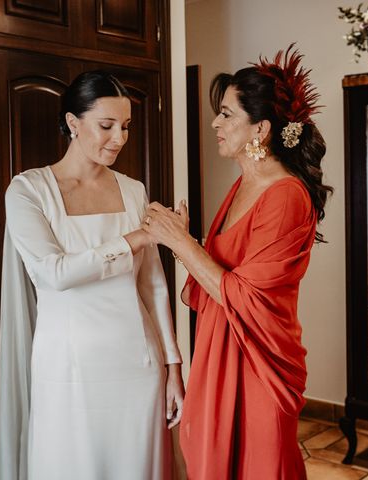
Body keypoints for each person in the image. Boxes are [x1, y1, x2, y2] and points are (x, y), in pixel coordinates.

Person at [142, 46, 333, 479]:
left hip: (258, 365)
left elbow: (247, 296)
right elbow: (217, 279)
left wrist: (182, 243)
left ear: (261, 129)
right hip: (219, 351)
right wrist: (184, 244)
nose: (215, 123)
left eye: (226, 114)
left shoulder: (286, 196)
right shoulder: (242, 184)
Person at [0, 70, 184, 480]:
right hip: (68, 371)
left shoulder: (133, 189)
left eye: (126, 127)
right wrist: (134, 238)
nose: (119, 138)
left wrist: (173, 365)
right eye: (106, 126)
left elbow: (152, 286)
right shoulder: (28, 191)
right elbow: (53, 274)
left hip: (139, 365)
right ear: (72, 123)